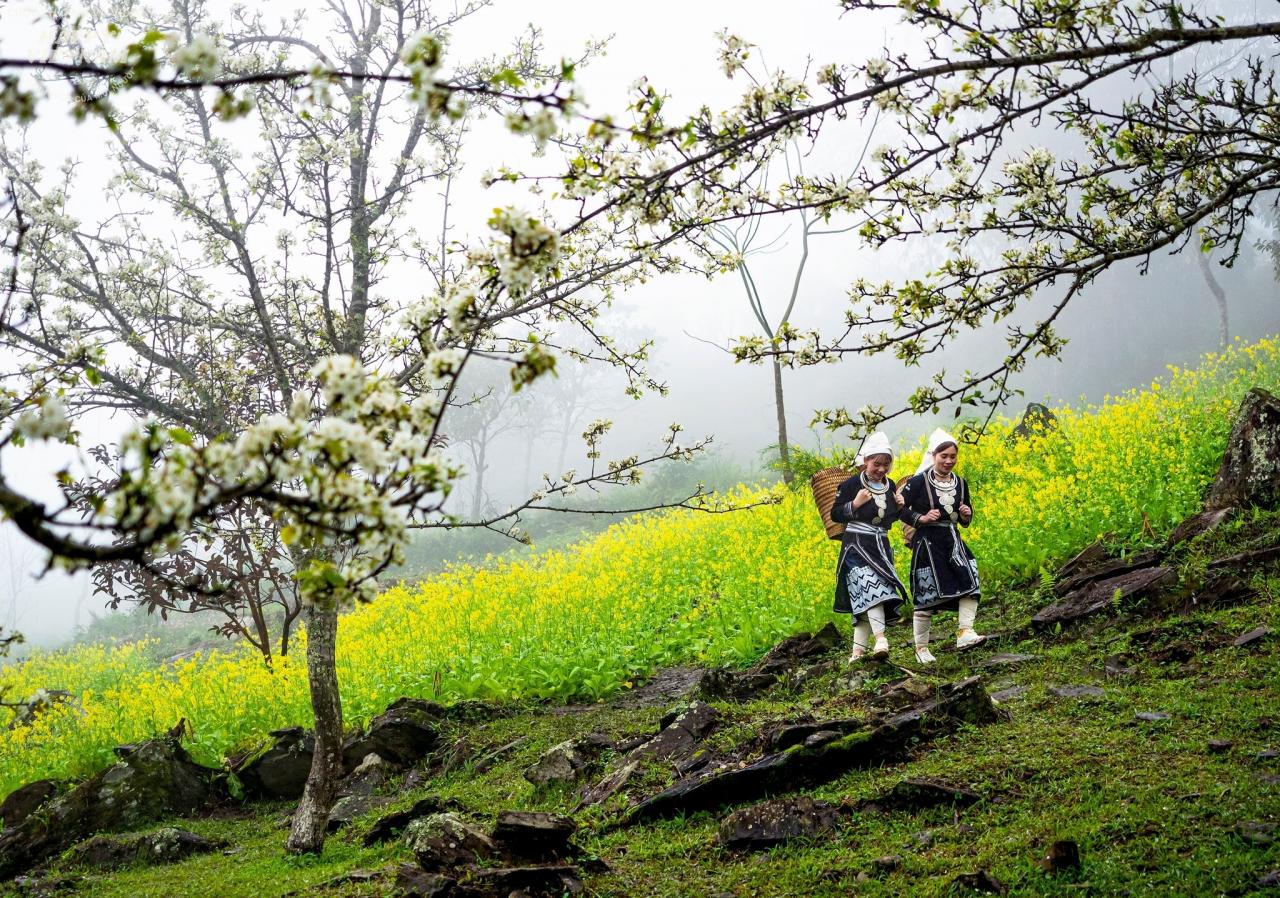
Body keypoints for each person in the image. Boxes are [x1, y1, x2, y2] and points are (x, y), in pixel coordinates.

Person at [897, 427, 983, 664]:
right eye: (943, 456)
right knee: (926, 596)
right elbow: (899, 509)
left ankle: (965, 632)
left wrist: (966, 514)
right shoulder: (917, 483)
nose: (948, 461)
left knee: (971, 583)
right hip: (927, 545)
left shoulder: (961, 483)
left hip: (952, 541)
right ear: (933, 456)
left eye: (952, 457)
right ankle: (921, 649)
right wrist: (920, 519)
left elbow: (964, 519)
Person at [830, 431, 909, 662]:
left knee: (864, 597)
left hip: (880, 547)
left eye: (886, 464)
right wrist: (855, 503)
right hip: (856, 546)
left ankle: (857, 653)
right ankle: (881, 638)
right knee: (870, 590)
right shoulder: (852, 484)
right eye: (877, 464)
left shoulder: (890, 485)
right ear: (866, 461)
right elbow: (835, 514)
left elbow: (888, 520)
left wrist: (899, 506)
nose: (882, 469)